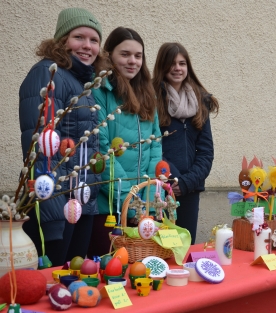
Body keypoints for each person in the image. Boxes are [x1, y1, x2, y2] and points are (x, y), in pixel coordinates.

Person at [19, 8, 107, 266]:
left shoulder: (81, 82)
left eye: (94, 40)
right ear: (61, 40)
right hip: (58, 208)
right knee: (51, 283)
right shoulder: (48, 74)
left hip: (79, 205)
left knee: (74, 284)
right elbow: (40, 150)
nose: (87, 46)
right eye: (79, 37)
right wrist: (53, 216)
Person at [87, 27, 162, 258]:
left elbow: (155, 147)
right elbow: (102, 150)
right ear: (109, 55)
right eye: (125, 54)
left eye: (138, 56)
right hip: (109, 206)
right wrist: (128, 202)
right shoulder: (100, 91)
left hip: (141, 208)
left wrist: (147, 202)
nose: (132, 61)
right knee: (110, 269)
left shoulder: (147, 93)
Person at [152, 43, 219, 244]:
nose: (177, 68)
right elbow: (151, 145)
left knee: (183, 247)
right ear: (161, 66)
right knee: (161, 247)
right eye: (171, 63)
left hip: (189, 190)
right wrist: (171, 179)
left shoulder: (200, 102)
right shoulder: (152, 100)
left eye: (182, 63)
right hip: (159, 189)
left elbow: (206, 152)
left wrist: (186, 183)